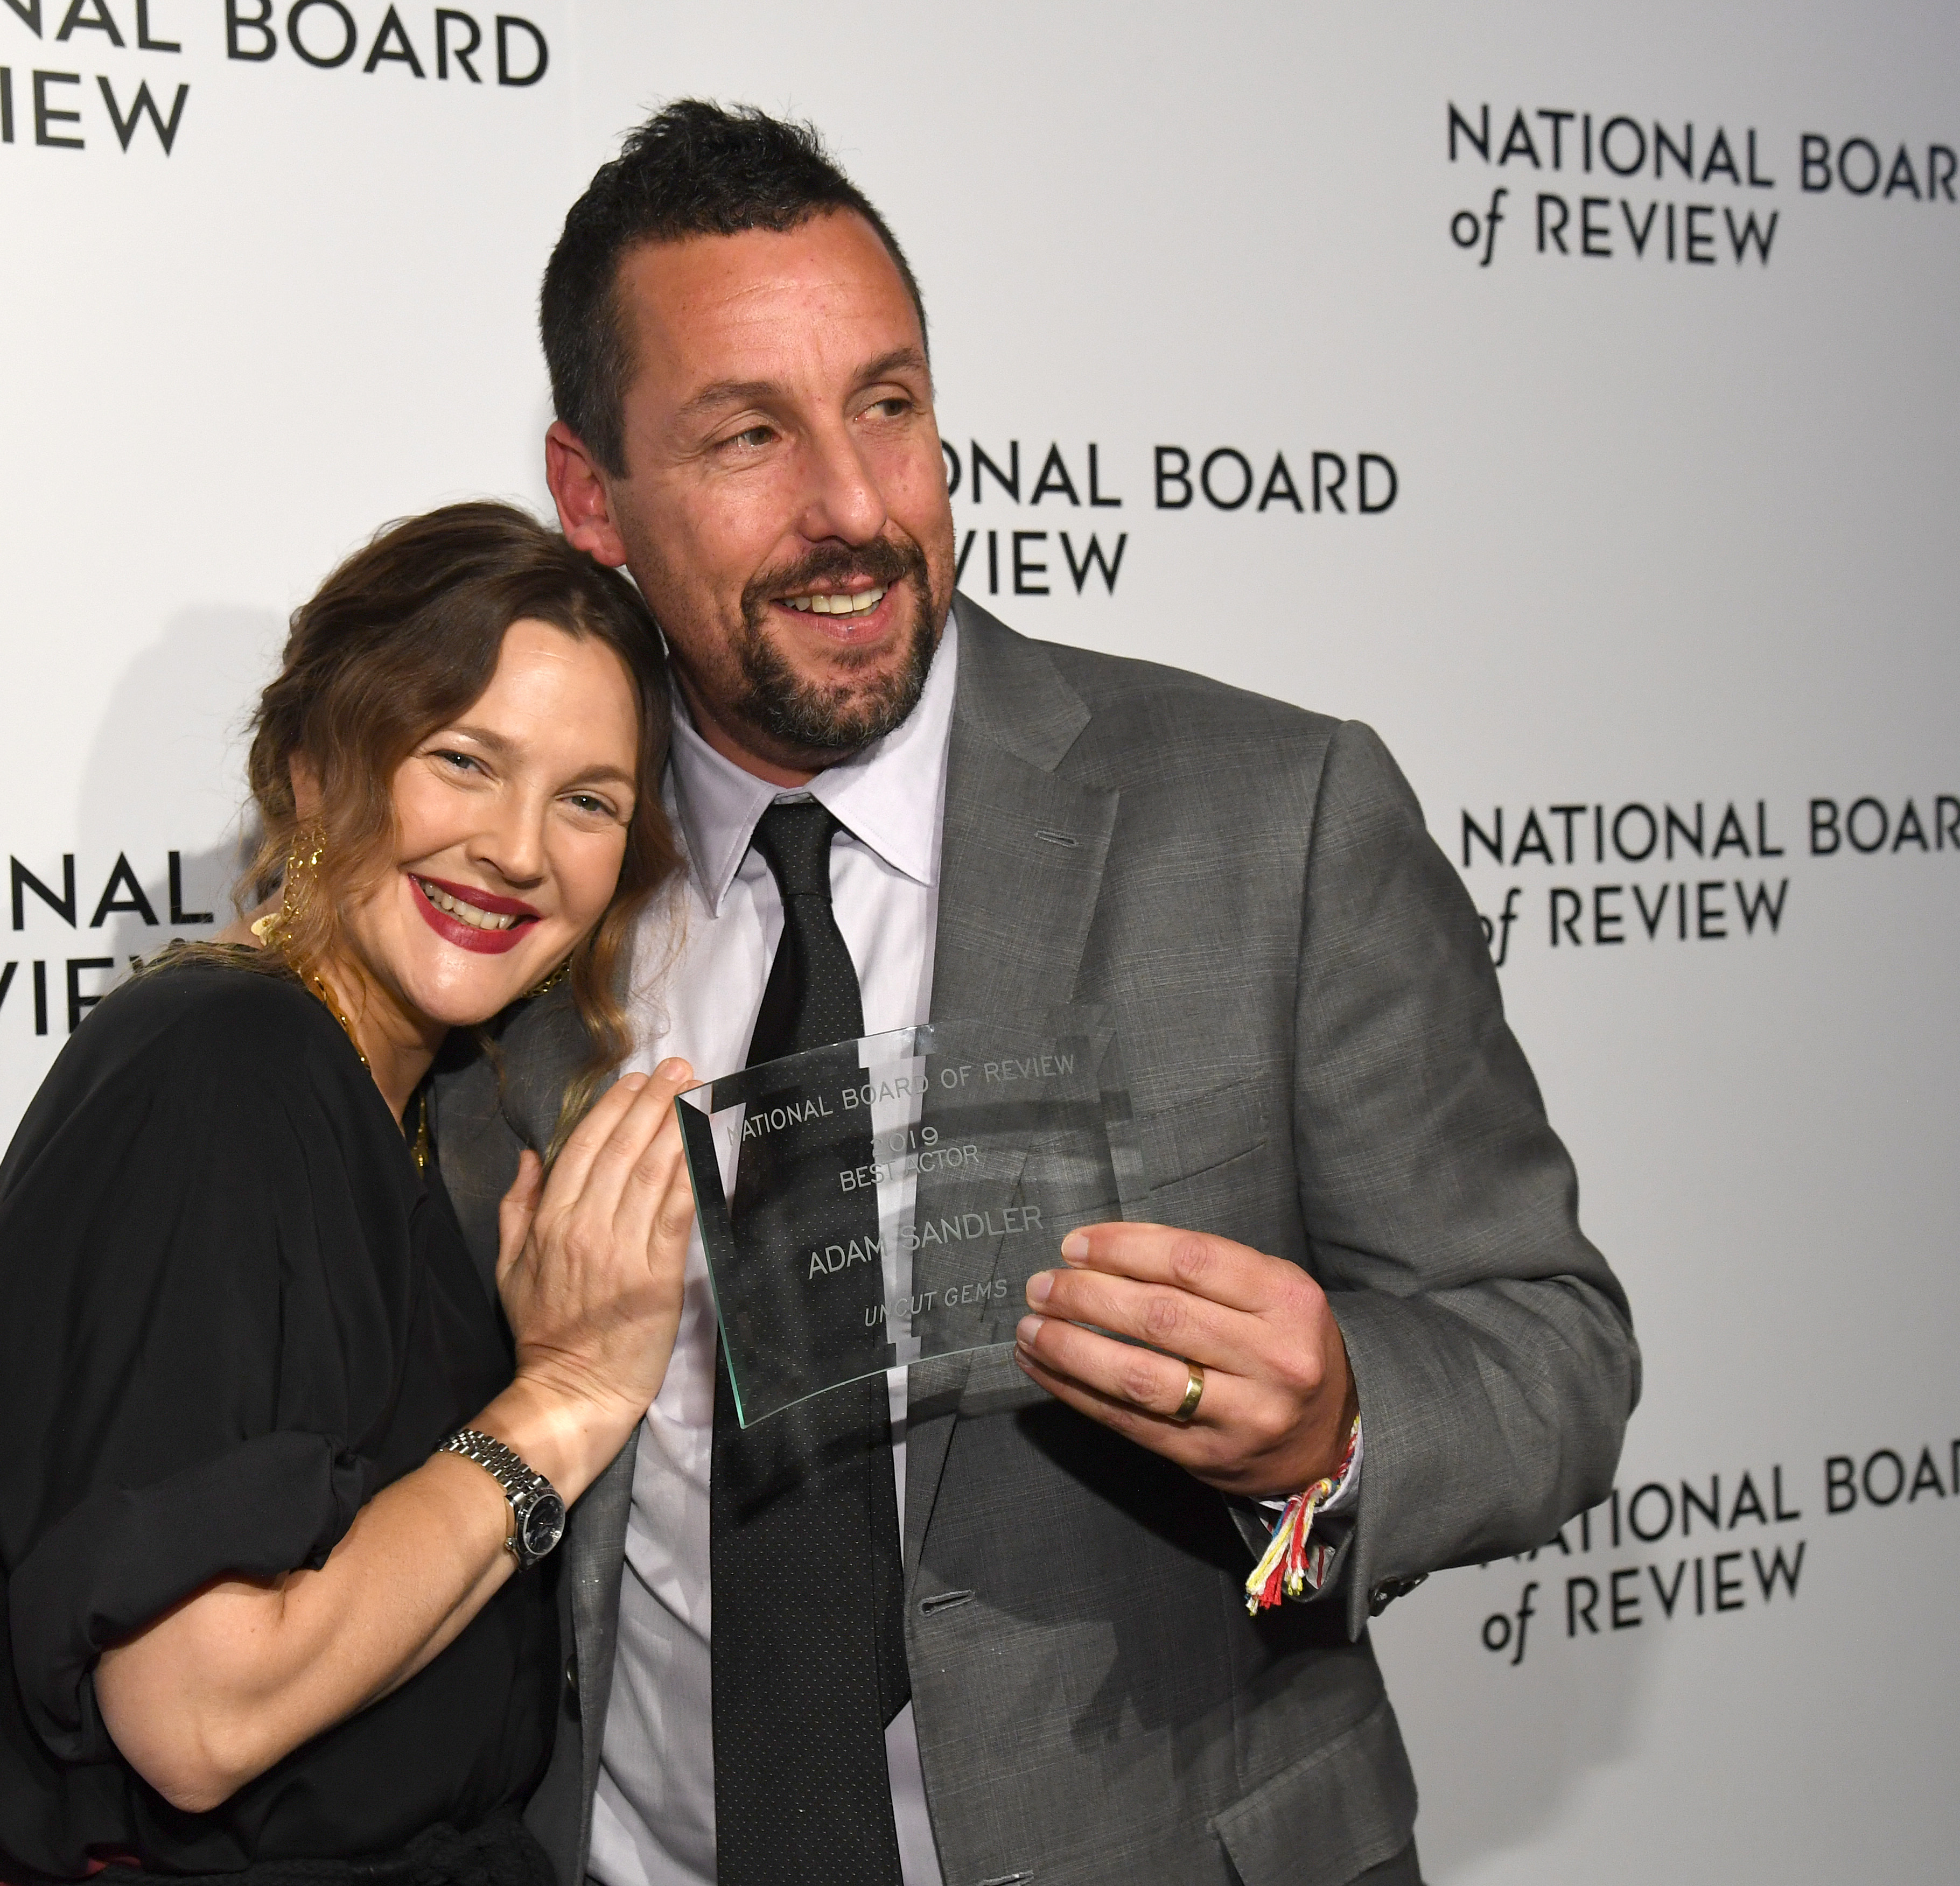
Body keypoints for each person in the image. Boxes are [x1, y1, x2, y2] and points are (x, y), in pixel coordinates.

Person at [428, 106, 1641, 1886]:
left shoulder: (1270, 819)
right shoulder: (520, 892)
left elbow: (1550, 1350)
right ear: (590, 494)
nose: (852, 508)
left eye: (888, 405)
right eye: (748, 434)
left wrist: (1331, 1425)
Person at [0, 502, 703, 1886]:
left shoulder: (401, 1106)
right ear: (316, 772)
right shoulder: (225, 1070)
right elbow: (196, 1715)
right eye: (463, 760)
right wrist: (561, 1401)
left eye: (587, 801)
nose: (519, 850)